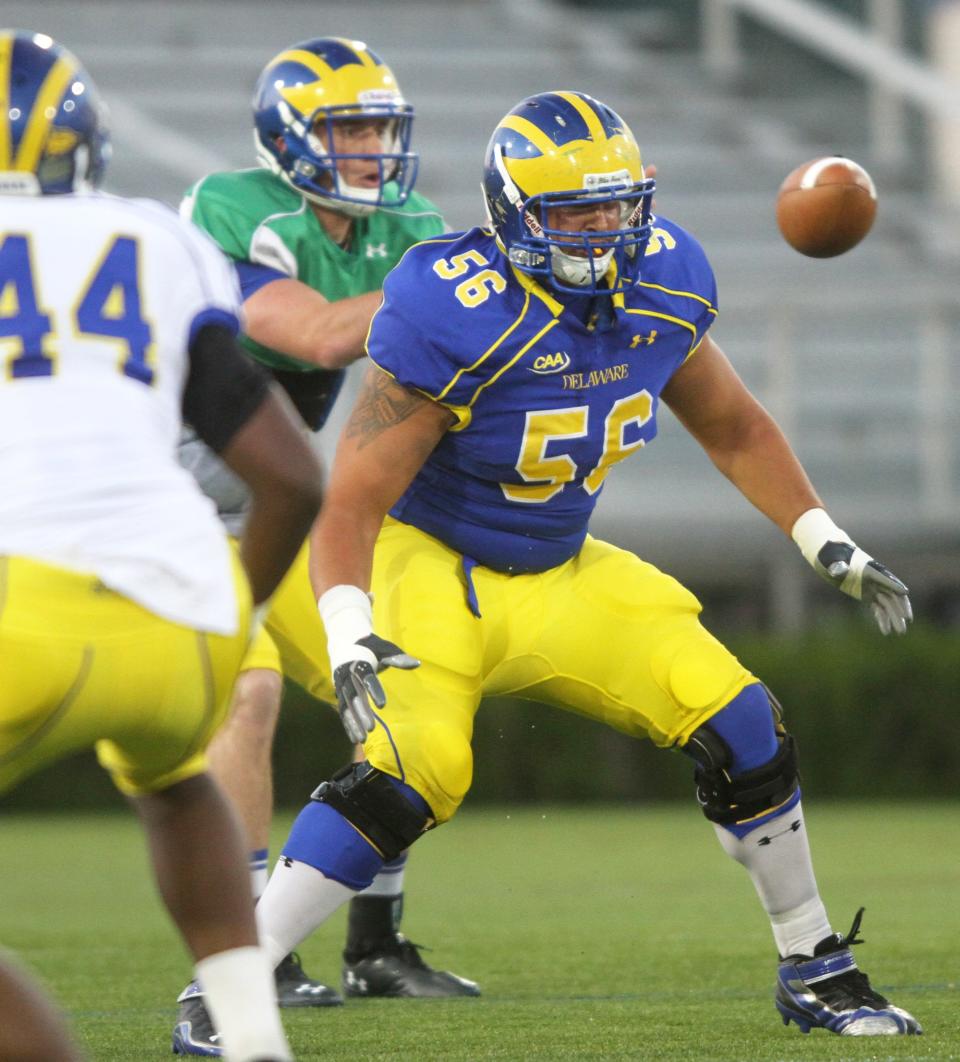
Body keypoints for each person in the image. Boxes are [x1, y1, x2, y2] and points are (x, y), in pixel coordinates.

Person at [250, 89, 923, 1039]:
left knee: (743, 722)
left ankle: (816, 966)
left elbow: (732, 426)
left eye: (618, 206)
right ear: (515, 216)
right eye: (575, 212)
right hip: (430, 563)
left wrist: (823, 537)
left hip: (559, 571)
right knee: (416, 770)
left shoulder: (664, 281)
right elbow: (354, 497)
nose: (605, 231)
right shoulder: (453, 308)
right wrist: (349, 627)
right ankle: (230, 983)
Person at [0, 30, 325, 1062]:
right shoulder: (158, 236)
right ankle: (252, 1037)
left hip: (24, 616)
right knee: (174, 783)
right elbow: (291, 475)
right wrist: (237, 623)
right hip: (182, 616)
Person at [172, 35, 477, 1057]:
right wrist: (454, 286)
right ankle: (249, 952)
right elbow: (312, 335)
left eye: (381, 128)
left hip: (280, 511)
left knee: (396, 681)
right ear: (286, 136)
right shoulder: (231, 208)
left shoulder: (408, 224)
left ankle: (376, 943)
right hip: (184, 505)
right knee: (249, 698)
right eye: (348, 128)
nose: (370, 148)